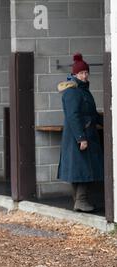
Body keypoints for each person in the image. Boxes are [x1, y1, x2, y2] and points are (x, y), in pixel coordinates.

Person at [57, 53, 104, 212]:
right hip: (79, 136)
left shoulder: (83, 91)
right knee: (84, 169)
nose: (84, 76)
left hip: (84, 133)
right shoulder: (72, 92)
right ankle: (81, 201)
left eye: (86, 73)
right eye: (81, 73)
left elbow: (92, 113)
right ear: (74, 74)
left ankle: (79, 201)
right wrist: (81, 138)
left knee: (79, 169)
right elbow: (73, 116)